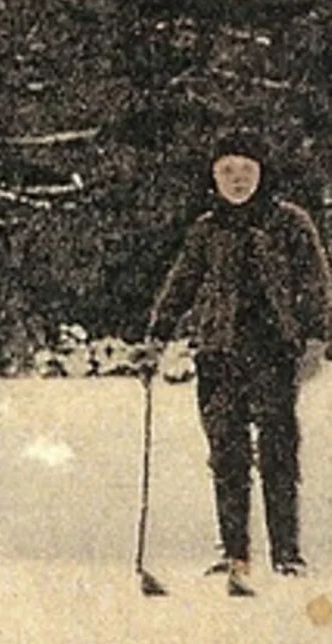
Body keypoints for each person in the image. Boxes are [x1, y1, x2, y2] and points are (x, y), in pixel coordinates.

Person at [148, 130, 330, 585]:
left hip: (274, 352)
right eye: (227, 171)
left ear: (262, 174)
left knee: (277, 453)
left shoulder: (290, 223)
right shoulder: (207, 229)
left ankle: (286, 553)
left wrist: (318, 338)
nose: (237, 180)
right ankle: (236, 554)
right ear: (213, 176)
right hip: (219, 352)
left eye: (246, 170)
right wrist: (158, 333)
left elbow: (316, 284)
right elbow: (182, 282)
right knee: (226, 453)